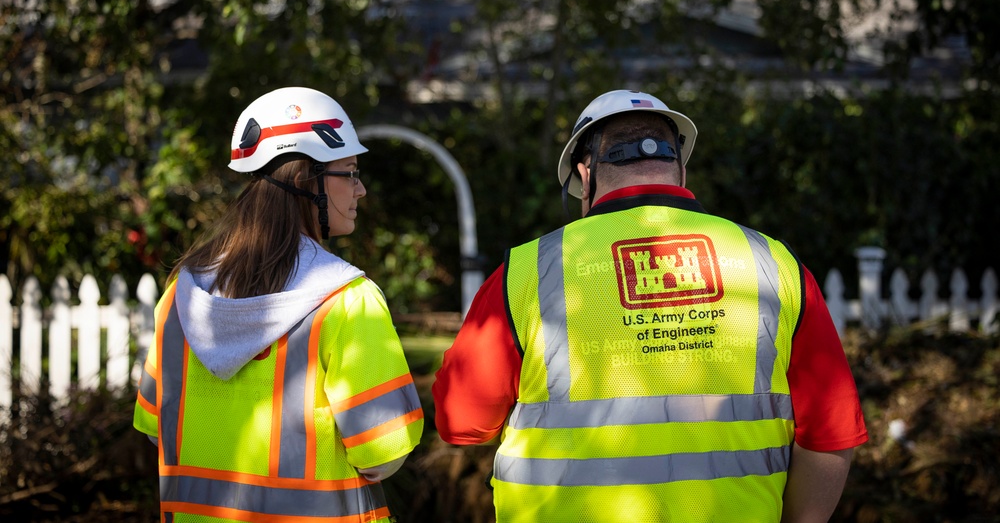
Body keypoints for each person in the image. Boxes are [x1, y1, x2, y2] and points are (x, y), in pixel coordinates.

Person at [432, 89, 868, 523]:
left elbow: (463, 422)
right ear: (680, 168)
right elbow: (832, 433)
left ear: (585, 176)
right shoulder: (774, 263)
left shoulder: (528, 271)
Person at [134, 86, 424, 523]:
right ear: (308, 181)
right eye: (350, 171)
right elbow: (382, 450)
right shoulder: (346, 301)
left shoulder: (180, 293)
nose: (360, 190)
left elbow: (157, 428)